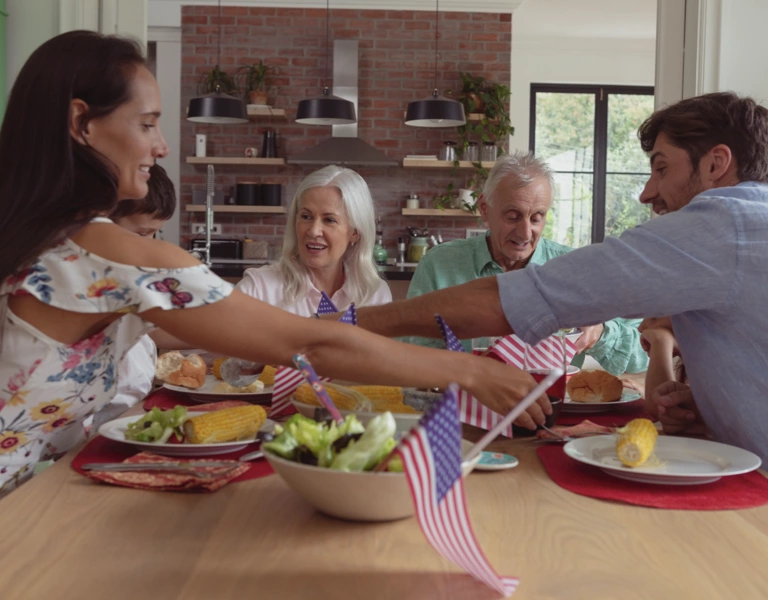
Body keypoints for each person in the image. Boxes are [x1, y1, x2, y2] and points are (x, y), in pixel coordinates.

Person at [0, 31, 547, 497]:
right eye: (146, 124)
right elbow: (307, 347)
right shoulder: (113, 254)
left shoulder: (42, 235)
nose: (163, 145)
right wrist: (471, 370)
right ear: (82, 123)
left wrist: (416, 324)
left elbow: (208, 340)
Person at [344, 92, 768, 464]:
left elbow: (513, 301)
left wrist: (338, 328)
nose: (646, 194)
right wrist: (716, 404)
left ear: (716, 164)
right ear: (486, 212)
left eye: (661, 168)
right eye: (511, 215)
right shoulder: (750, 226)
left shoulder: (719, 227)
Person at [402, 151, 648, 376]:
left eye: (537, 218)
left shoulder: (576, 270)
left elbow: (643, 353)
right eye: (512, 216)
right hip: (464, 408)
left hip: (554, 411)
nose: (525, 233)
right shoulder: (439, 264)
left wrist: (600, 332)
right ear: (485, 209)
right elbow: (414, 350)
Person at [237, 165, 391, 315]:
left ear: (355, 232)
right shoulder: (257, 289)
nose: (313, 231)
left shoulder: (375, 295)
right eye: (306, 217)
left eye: (329, 220)